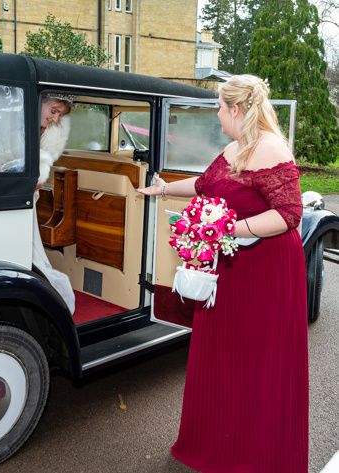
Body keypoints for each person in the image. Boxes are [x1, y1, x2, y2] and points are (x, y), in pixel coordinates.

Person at [137, 75, 308, 473]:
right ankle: (219, 442)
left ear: (236, 109)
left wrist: (229, 229)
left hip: (265, 268)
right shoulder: (235, 147)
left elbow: (289, 214)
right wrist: (161, 190)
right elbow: (205, 185)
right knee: (224, 354)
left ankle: (255, 454)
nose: (217, 116)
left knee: (255, 360)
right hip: (232, 265)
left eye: (219, 107)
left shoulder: (271, 148)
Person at [33, 94, 76, 315]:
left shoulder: (43, 131)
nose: (55, 118)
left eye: (59, 114)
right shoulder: (22, 128)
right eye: (53, 110)